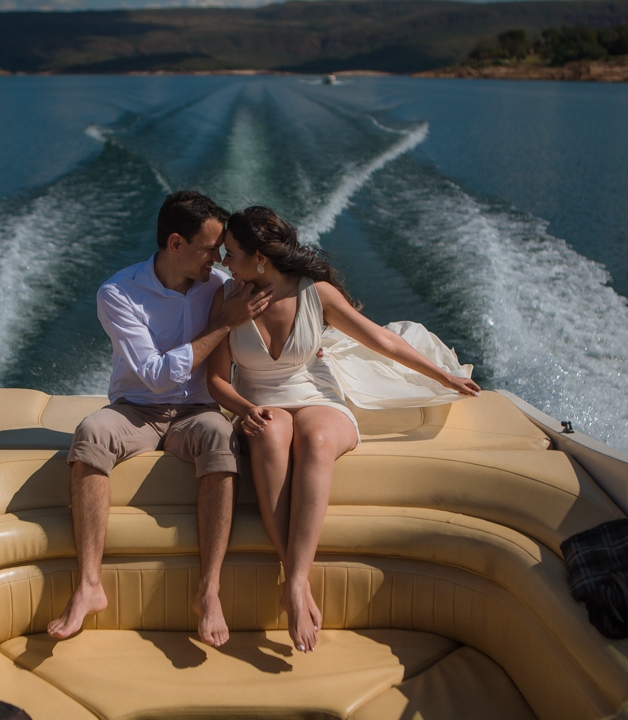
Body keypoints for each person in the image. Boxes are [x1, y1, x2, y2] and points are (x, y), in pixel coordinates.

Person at [205, 206, 480, 654]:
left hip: (319, 398)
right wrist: (244, 408)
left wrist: (442, 376)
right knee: (273, 432)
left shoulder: (317, 294)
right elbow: (216, 380)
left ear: (259, 257)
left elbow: (381, 339)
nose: (222, 261)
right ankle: (296, 577)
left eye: (230, 252)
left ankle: (294, 584)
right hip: (258, 404)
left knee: (314, 440)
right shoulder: (227, 301)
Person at [47, 191, 273, 648]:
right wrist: (223, 325)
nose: (220, 258)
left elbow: (290, 294)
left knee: (219, 436)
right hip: (137, 410)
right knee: (92, 431)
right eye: (211, 249)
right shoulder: (118, 293)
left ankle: (208, 591)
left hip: (197, 411)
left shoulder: (220, 285)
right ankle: (89, 585)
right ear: (175, 243)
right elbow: (153, 376)